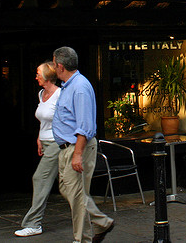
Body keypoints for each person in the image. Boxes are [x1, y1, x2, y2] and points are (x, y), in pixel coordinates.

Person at [52, 46, 114, 243]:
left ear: (60, 66)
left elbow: (85, 126)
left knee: (77, 196)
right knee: (68, 189)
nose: (53, 68)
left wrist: (77, 154)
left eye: (54, 64)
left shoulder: (79, 88)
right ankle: (101, 222)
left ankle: (82, 239)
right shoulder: (68, 86)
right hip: (67, 148)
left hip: (77, 148)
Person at [15, 62, 62, 237]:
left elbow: (63, 121)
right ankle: (96, 218)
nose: (36, 77)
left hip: (57, 143)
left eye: (38, 74)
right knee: (68, 187)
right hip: (45, 141)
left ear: (48, 76)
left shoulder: (60, 95)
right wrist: (38, 139)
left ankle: (33, 224)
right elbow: (44, 120)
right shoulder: (41, 93)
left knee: (40, 178)